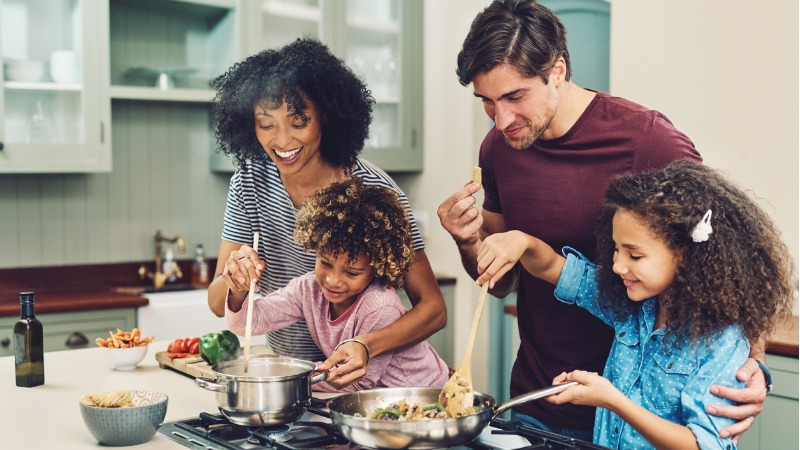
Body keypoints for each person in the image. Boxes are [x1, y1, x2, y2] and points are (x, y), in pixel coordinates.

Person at [437, 0, 767, 440]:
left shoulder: (647, 140)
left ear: (557, 71)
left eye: (515, 97)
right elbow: (502, 283)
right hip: (538, 399)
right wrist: (468, 241)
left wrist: (752, 363)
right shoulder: (498, 149)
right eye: (487, 102)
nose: (502, 120)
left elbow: (724, 259)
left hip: (644, 420)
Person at [474, 161, 794, 449]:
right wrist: (522, 241)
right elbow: (553, 268)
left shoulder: (721, 343)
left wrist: (613, 400)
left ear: (685, 255)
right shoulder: (629, 306)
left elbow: (701, 445)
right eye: (616, 249)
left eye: (635, 255)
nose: (617, 265)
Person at [208, 38, 447, 388]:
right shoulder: (249, 182)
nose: (282, 140)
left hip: (355, 382)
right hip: (294, 375)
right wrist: (235, 280)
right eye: (266, 123)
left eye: (299, 120)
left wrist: (366, 345)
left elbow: (433, 309)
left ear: (326, 115)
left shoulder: (376, 193)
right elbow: (219, 303)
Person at [226, 178, 449, 392]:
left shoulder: (379, 306)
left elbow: (356, 382)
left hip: (423, 391)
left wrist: (282, 369)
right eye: (325, 263)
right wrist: (238, 290)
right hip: (376, 396)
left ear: (377, 268)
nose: (333, 280)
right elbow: (248, 323)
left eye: (352, 273)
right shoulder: (309, 289)